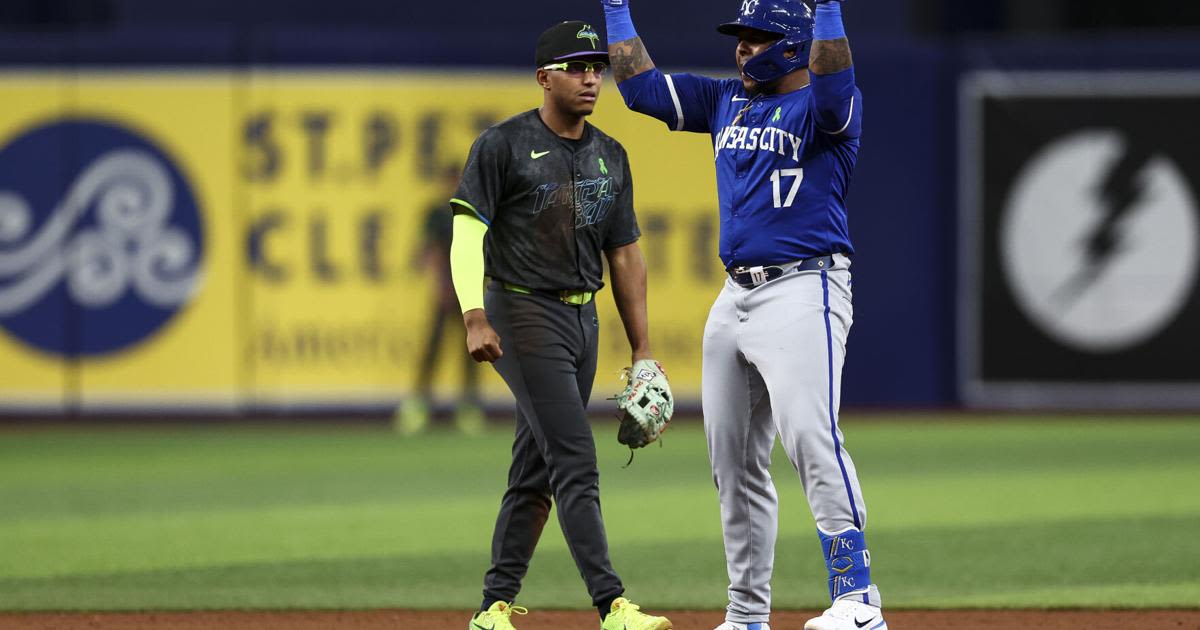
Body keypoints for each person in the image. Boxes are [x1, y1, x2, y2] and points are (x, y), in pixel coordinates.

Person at [600, 1, 886, 629]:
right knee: (730, 458)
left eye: (755, 39)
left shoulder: (824, 108)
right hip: (734, 296)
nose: (741, 49)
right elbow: (641, 88)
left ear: (790, 46)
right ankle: (746, 616)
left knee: (811, 436)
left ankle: (858, 601)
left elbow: (834, 78)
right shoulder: (724, 101)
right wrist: (616, 9)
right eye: (739, 38)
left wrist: (830, 10)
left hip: (804, 285)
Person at [450, 19, 673, 630]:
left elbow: (624, 253)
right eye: (577, 67)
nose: (591, 78)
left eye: (596, 68)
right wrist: (473, 314)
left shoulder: (610, 154)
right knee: (574, 458)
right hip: (521, 310)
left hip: (582, 318)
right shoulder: (502, 146)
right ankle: (612, 604)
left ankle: (492, 608)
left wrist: (644, 350)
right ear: (544, 76)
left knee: (536, 467)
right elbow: (467, 233)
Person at [394, 164, 484, 436]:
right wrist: (438, 284)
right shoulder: (438, 214)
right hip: (446, 291)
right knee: (433, 347)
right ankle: (420, 404)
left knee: (472, 349)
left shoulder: (473, 212)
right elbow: (430, 251)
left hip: (467, 292)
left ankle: (469, 406)